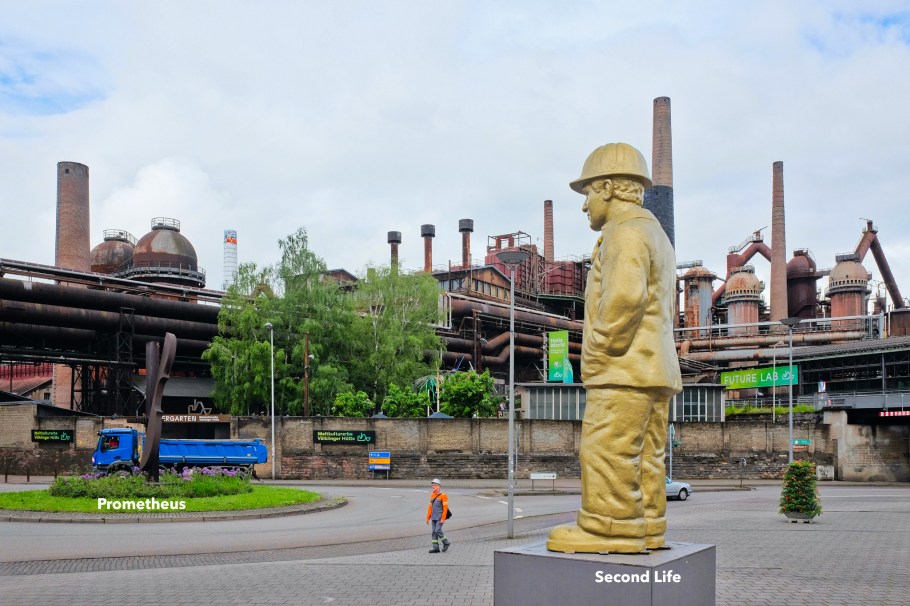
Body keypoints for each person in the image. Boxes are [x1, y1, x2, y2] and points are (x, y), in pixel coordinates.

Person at [546, 143, 682, 554]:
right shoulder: (655, 233)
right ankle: (649, 525)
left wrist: (600, 353)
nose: (585, 205)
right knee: (647, 454)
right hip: (655, 368)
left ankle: (611, 529)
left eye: (587, 193)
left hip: (624, 369)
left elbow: (625, 299)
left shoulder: (624, 232)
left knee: (606, 449)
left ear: (607, 187)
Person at [425, 478, 451, 553]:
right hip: (433, 517)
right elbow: (430, 507)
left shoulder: (443, 495)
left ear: (439, 486)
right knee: (433, 532)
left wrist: (443, 518)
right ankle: (436, 548)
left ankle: (446, 543)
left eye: (435, 485)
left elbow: (445, 508)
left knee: (437, 530)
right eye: (433, 485)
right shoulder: (432, 495)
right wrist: (427, 517)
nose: (434, 487)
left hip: (440, 517)